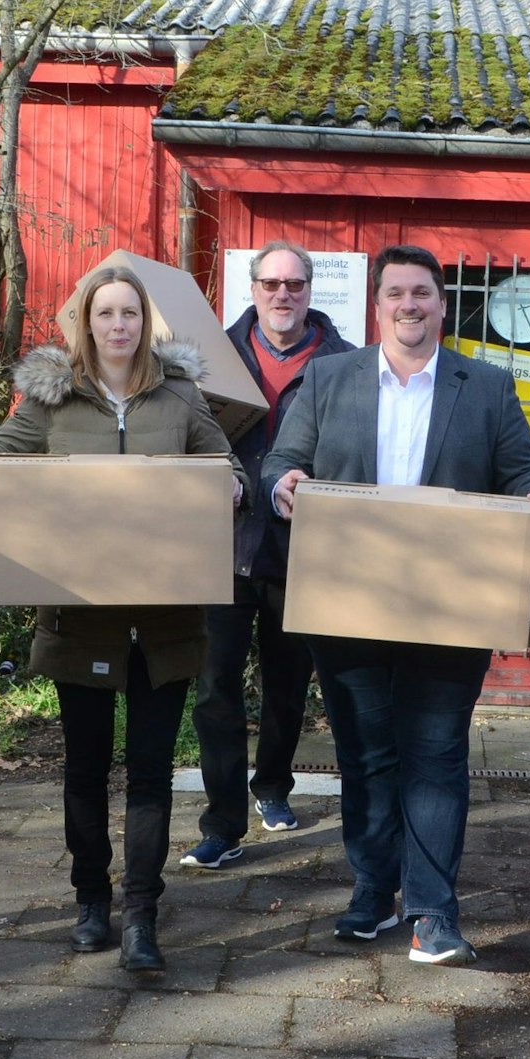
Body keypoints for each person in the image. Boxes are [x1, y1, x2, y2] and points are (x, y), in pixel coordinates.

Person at [263, 244, 530, 966]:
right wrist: (285, 484)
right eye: (395, 293)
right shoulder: (330, 377)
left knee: (436, 755)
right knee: (365, 755)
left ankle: (432, 911)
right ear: (377, 306)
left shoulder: (485, 386)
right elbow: (282, 460)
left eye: (421, 292)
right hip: (347, 599)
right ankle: (373, 891)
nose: (408, 305)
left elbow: (526, 469)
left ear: (442, 305)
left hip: (449, 606)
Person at [0, 265, 246, 976]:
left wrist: (232, 489)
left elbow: (228, 465)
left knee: (150, 773)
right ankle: (91, 900)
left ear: (147, 323)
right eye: (105, 313)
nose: (119, 325)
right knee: (84, 770)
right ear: (85, 323)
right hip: (78, 618)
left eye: (130, 313)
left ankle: (142, 912)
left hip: (166, 622)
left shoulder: (180, 396)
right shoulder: (51, 400)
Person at [180, 241, 357, 871]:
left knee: (287, 686)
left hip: (300, 552)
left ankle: (273, 786)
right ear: (252, 289)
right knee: (215, 690)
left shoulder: (345, 363)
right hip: (223, 548)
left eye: (295, 284)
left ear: (310, 291)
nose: (283, 294)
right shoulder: (210, 358)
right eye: (271, 283)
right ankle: (222, 822)